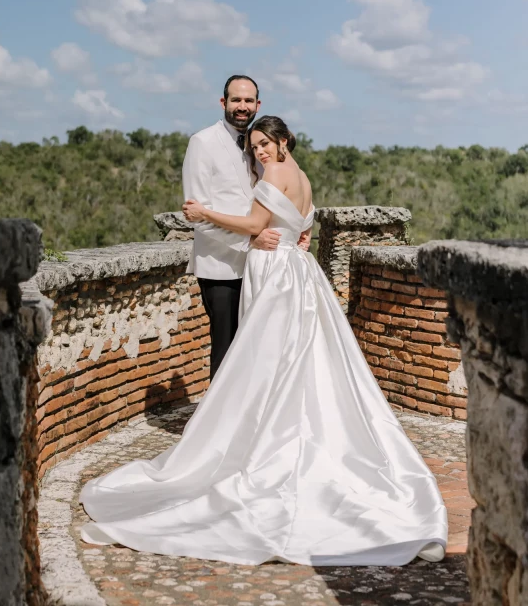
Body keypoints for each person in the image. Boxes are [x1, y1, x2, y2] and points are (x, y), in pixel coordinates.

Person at [80, 115, 447, 566]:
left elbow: (256, 222)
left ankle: (265, 446)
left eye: (265, 143)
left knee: (268, 359)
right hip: (297, 268)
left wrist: (201, 214)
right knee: (299, 358)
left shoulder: (275, 172)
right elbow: (299, 224)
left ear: (284, 140)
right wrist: (288, 232)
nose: (260, 152)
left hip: (275, 274)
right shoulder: (304, 175)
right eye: (253, 147)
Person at [182, 75, 300, 380]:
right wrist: (250, 241)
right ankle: (218, 424)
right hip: (220, 266)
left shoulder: (261, 145)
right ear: (224, 102)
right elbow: (199, 215)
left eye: (249, 101)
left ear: (258, 105)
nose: (242, 106)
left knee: (255, 349)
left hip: (262, 267)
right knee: (226, 349)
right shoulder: (202, 142)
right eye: (236, 100)